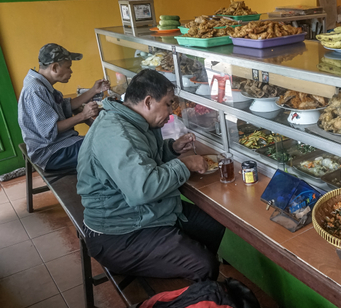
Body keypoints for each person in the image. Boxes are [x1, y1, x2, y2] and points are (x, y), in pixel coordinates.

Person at [76, 69, 225, 281]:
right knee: (203, 265)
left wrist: (171, 148)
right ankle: (193, 298)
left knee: (212, 224)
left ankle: (198, 286)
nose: (171, 112)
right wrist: (185, 164)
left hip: (143, 214)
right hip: (119, 233)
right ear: (148, 102)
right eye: (168, 103)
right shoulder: (117, 132)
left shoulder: (132, 121)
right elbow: (143, 189)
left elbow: (142, 157)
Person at [18, 43, 110, 171]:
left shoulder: (40, 84)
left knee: (106, 142)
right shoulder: (36, 90)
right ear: (54, 67)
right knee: (108, 147)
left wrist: (94, 90)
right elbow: (50, 130)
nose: (71, 71)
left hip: (60, 144)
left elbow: (65, 106)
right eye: (68, 67)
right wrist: (83, 115)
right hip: (51, 153)